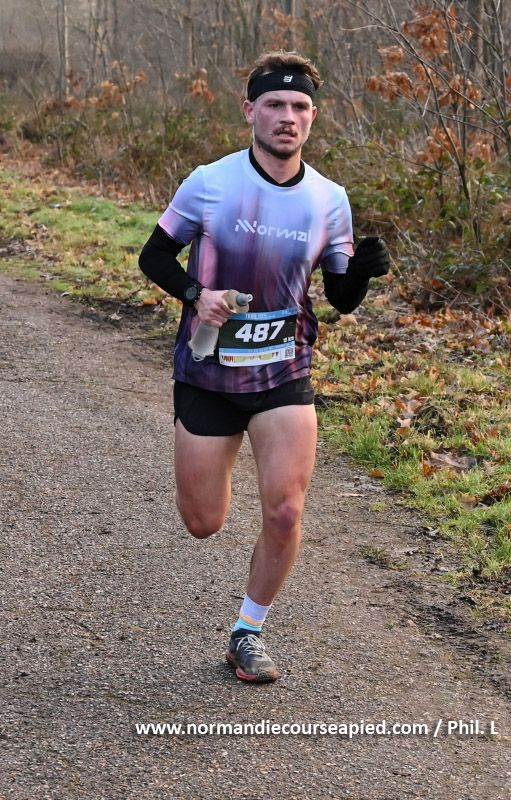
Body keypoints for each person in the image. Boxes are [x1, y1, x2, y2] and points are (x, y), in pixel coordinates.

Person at [139, 50, 390, 683]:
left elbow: (340, 297)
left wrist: (361, 272)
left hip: (284, 369)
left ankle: (247, 631)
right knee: (204, 523)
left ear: (313, 117)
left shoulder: (329, 199)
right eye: (275, 104)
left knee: (284, 511)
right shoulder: (210, 182)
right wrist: (196, 294)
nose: (288, 116)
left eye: (300, 106)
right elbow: (153, 256)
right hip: (209, 370)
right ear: (250, 111)